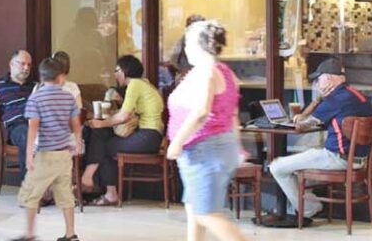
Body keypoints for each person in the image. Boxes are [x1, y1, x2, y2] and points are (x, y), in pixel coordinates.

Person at [165, 20, 246, 241]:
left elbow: (201, 110)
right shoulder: (226, 72)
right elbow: (232, 114)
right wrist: (237, 148)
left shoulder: (205, 73)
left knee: (206, 213)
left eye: (188, 43)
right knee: (194, 210)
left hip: (204, 149)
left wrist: (177, 141)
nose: (186, 48)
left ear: (200, 45)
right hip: (216, 146)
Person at [269, 56, 372, 220]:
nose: (316, 84)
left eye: (318, 80)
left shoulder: (334, 100)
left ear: (329, 79)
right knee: (297, 172)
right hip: (359, 159)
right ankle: (293, 210)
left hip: (337, 158)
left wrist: (317, 98)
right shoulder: (359, 96)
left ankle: (309, 209)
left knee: (277, 167)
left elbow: (302, 124)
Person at [13, 57, 82, 241]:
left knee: (31, 194)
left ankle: (28, 235)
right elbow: (76, 124)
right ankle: (70, 234)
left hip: (45, 154)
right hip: (64, 154)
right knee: (66, 194)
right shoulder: (68, 97)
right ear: (60, 77)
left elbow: (33, 128)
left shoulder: (36, 98)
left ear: (42, 78)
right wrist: (78, 142)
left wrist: (29, 154)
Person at [81, 54, 164, 206]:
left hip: (147, 137)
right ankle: (98, 183)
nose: (115, 74)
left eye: (117, 70)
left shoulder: (135, 85)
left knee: (104, 144)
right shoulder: (145, 84)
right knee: (104, 141)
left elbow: (123, 117)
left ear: (125, 70)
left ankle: (91, 178)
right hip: (152, 136)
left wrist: (101, 124)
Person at [0, 50, 35, 176]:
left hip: (38, 125)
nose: (26, 68)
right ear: (11, 64)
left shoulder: (35, 86)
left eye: (29, 65)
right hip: (17, 128)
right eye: (22, 64)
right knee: (26, 134)